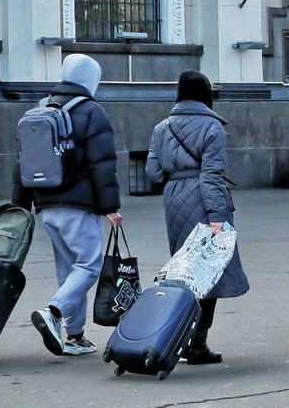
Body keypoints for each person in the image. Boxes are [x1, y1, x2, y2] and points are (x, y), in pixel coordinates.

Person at [13, 53, 120, 357]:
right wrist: (110, 207)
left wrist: (19, 206)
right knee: (89, 265)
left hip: (46, 205)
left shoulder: (40, 109)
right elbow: (102, 164)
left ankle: (75, 336)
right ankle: (54, 312)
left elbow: (21, 163)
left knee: (69, 270)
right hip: (79, 205)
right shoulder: (91, 111)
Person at [145, 70, 249, 364]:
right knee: (208, 273)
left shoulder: (161, 127)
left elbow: (152, 173)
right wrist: (217, 215)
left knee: (183, 273)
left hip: (174, 199)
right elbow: (212, 176)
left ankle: (177, 338)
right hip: (204, 202)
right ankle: (196, 344)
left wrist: (176, 174)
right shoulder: (213, 128)